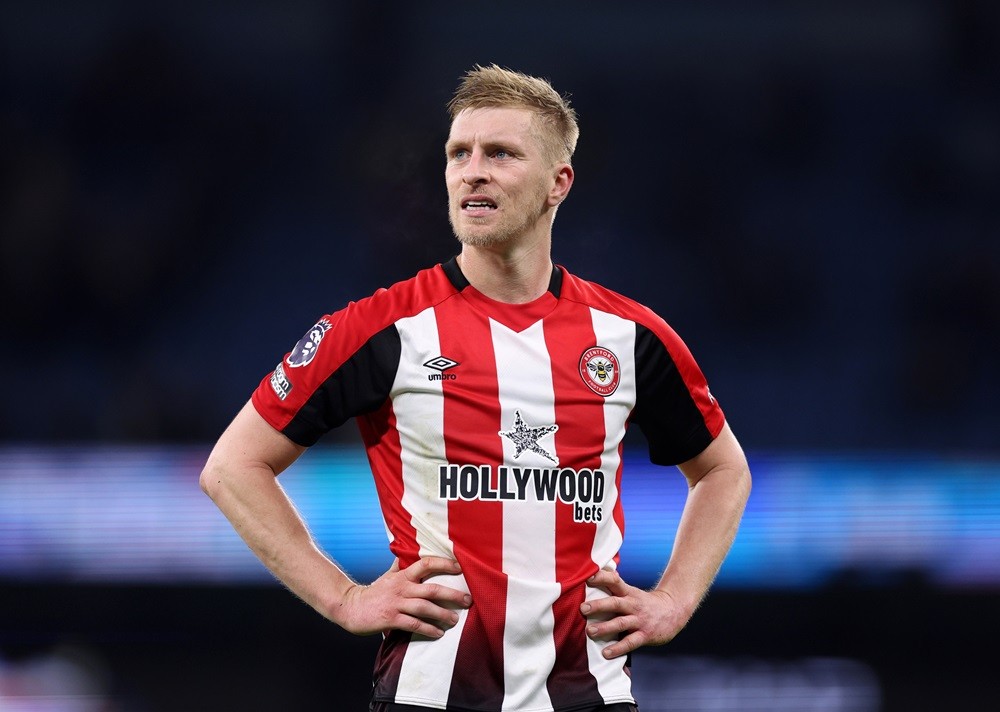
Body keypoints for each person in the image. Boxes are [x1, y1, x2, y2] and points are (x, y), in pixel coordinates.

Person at [200, 64, 751, 712]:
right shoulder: (383, 329)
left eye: (500, 154)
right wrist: (344, 598)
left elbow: (723, 472)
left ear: (558, 183)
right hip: (428, 698)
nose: (472, 171)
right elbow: (232, 467)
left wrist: (674, 600)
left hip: (587, 696)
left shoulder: (630, 336)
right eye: (458, 153)